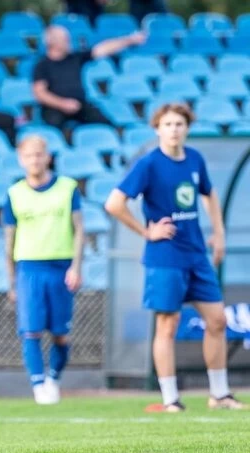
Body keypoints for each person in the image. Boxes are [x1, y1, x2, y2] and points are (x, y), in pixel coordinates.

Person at [104, 103, 246, 412]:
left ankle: (219, 394)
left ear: (187, 128)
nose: (174, 130)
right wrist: (146, 232)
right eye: (167, 124)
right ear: (157, 129)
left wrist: (219, 232)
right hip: (165, 257)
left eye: (179, 124)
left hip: (196, 254)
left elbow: (209, 193)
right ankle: (170, 399)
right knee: (167, 325)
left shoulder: (194, 159)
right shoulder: (148, 164)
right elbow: (114, 203)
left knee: (217, 320)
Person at [3, 135, 84, 405]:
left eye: (39, 154)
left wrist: (76, 267)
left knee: (61, 333)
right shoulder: (14, 193)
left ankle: (54, 379)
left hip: (61, 266)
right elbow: (9, 240)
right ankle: (38, 385)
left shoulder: (68, 188)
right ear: (21, 159)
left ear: (48, 157)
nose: (35, 160)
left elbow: (79, 230)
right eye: (29, 155)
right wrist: (12, 281)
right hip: (29, 268)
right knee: (30, 330)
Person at [32, 25, 145, 130]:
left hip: (79, 105)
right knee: (53, 127)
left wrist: (129, 40)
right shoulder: (42, 65)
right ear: (52, 42)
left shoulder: (75, 58)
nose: (69, 41)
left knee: (105, 124)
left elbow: (102, 49)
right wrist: (63, 104)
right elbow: (40, 93)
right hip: (54, 108)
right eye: (65, 39)